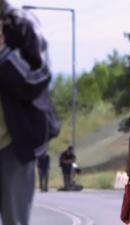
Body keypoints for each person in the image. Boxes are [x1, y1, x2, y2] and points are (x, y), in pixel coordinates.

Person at [0, 1, 59, 224]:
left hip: (13, 147)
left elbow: (38, 79)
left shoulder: (22, 24)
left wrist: (5, 54)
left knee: (15, 220)